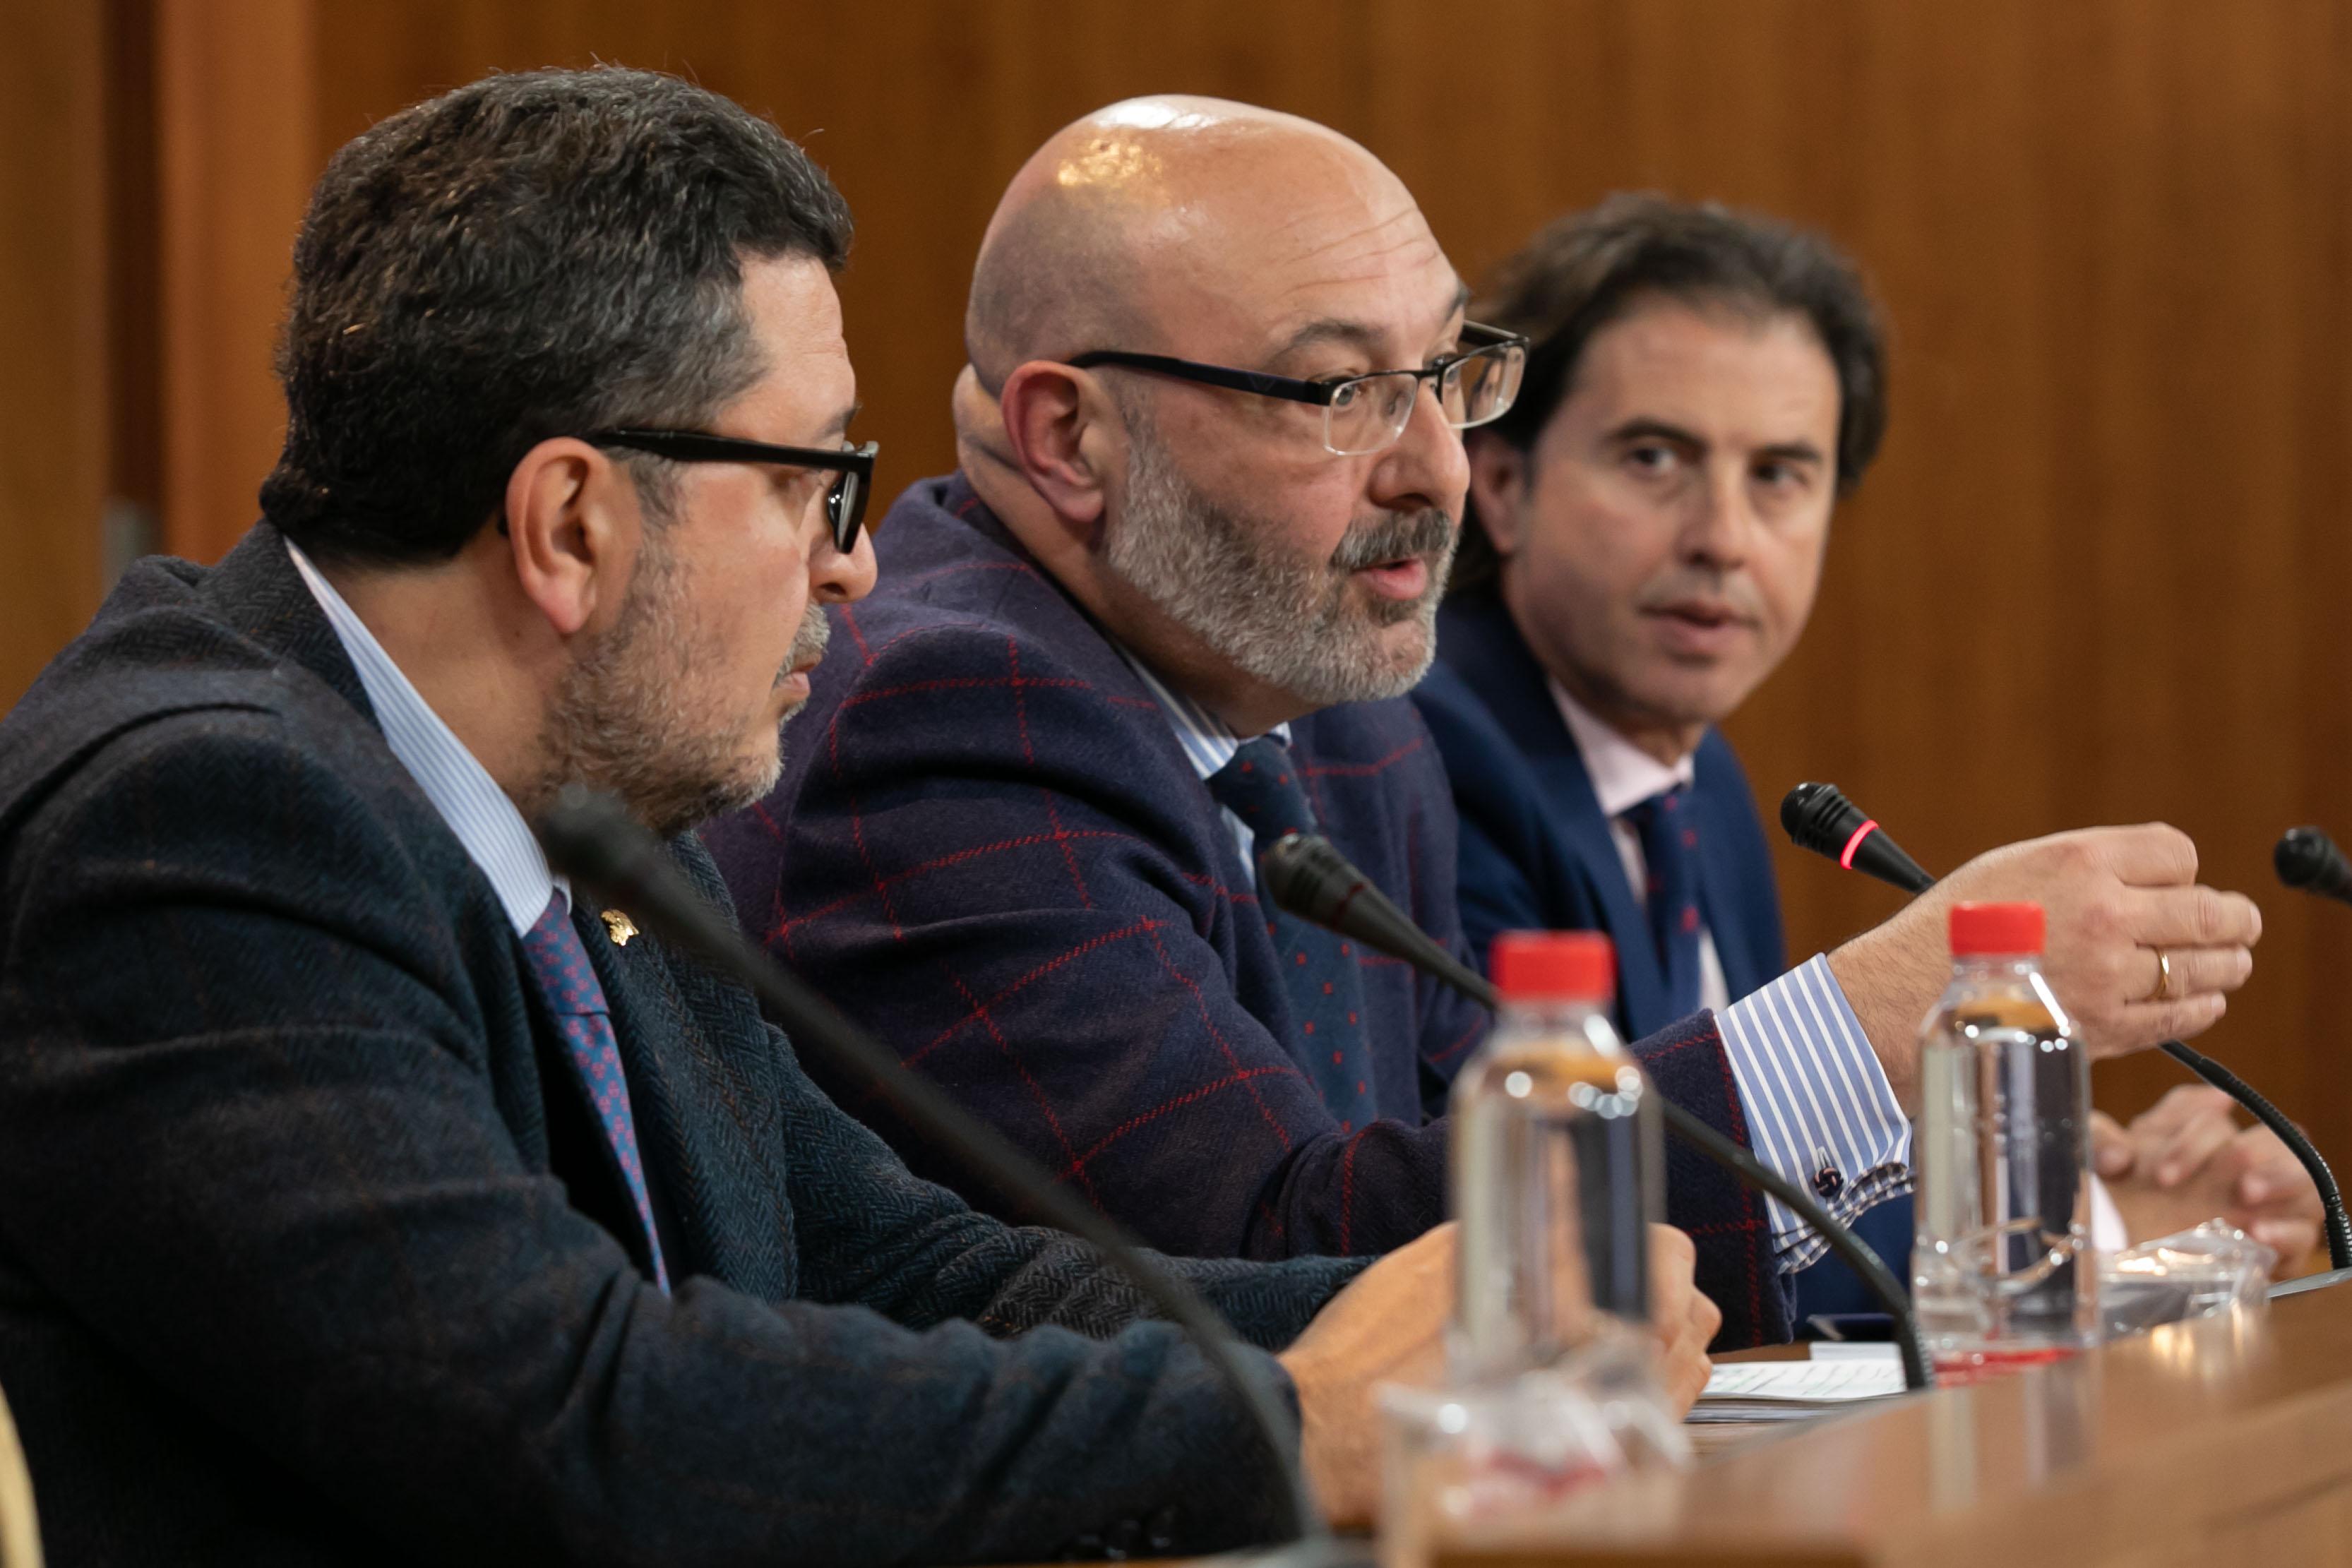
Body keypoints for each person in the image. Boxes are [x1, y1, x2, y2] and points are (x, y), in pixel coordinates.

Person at [0, 69, 1714, 1563]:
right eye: (817, 481)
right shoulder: (201, 822)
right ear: (575, 526)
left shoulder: (592, 807)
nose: (858, 561)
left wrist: (1446, 1340)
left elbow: (895, 1264)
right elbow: (579, 1419)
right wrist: (1280, 1422)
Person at [705, 98, 2264, 1349]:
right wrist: (1887, 1011)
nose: (1440, 473)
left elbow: (1494, 1170)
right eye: (1339, 397)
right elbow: (1289, 1273)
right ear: (1068, 436)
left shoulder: (1345, 726)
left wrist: (2022, 1171)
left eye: (1447, 376)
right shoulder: (949, 718)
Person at [1411, 196, 2323, 1305]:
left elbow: (1741, 1175)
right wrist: (2091, 1224)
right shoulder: (1430, 756)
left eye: (1781, 475)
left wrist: (2047, 1170)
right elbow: (1562, 1218)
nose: (1723, 538)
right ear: (1501, 486)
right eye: (1654, 457)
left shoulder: (1704, 785)